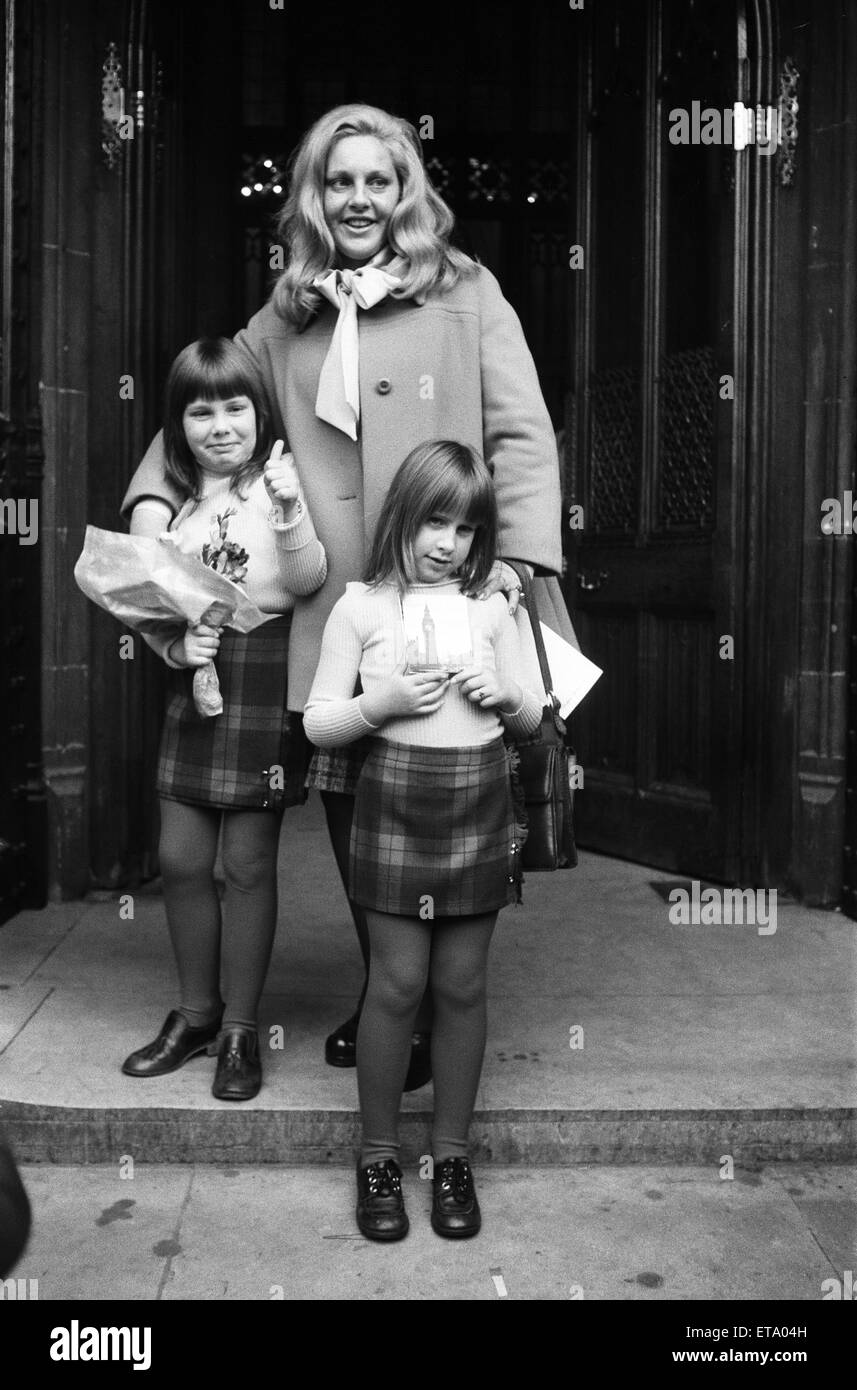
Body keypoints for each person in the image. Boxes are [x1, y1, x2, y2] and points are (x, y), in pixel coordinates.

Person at [120, 103, 572, 1086]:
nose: (357, 197)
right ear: (312, 196)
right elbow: (209, 403)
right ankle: (384, 996)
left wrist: (522, 566)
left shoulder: (468, 290)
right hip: (327, 613)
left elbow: (522, 436)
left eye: (377, 178)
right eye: (338, 180)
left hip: (445, 599)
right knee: (354, 812)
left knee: (435, 798)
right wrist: (154, 501)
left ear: (405, 189)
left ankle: (413, 1013)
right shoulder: (288, 306)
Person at [304, 440, 541, 1240]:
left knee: (463, 987)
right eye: (433, 522)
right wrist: (385, 700)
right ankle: (376, 1156)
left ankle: (450, 1156)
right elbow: (317, 724)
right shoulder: (359, 607)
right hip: (396, 802)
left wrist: (503, 690)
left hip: (477, 801)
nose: (448, 543)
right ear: (401, 515)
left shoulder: (493, 605)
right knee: (398, 986)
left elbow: (534, 715)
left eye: (466, 529)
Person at [121, 339, 327, 1101]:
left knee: (245, 866)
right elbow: (144, 600)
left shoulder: (281, 477)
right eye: (199, 411)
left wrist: (289, 507)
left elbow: (307, 580)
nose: (219, 425)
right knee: (180, 858)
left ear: (258, 412)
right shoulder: (167, 499)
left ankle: (241, 1027)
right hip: (196, 675)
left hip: (266, 669)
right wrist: (174, 647)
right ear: (177, 424)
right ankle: (193, 1014)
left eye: (234, 407)